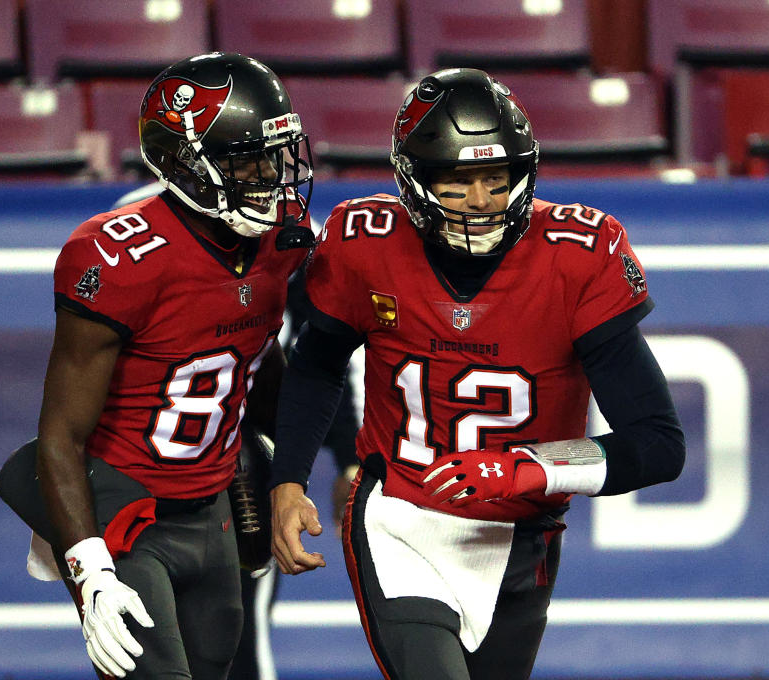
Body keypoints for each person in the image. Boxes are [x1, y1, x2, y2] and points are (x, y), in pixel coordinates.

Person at [269, 68, 686, 680]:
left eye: (497, 178)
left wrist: (526, 466)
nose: (483, 199)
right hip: (399, 514)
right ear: (415, 179)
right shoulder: (366, 241)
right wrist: (288, 480)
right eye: (459, 181)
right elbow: (314, 365)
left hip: (523, 533)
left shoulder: (578, 254)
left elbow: (658, 445)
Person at [33, 52, 313, 680]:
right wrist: (90, 569)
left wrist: (273, 463)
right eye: (246, 161)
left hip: (211, 505)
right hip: (123, 510)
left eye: (275, 157)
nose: (269, 178)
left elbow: (253, 364)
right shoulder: (117, 255)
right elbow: (59, 434)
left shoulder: (278, 247)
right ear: (185, 163)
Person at [107, 182, 361, 680]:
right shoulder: (126, 227)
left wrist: (342, 453)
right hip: (144, 462)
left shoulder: (286, 226)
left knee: (236, 633)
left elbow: (321, 358)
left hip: (240, 454)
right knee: (138, 639)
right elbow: (96, 370)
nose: (263, 169)